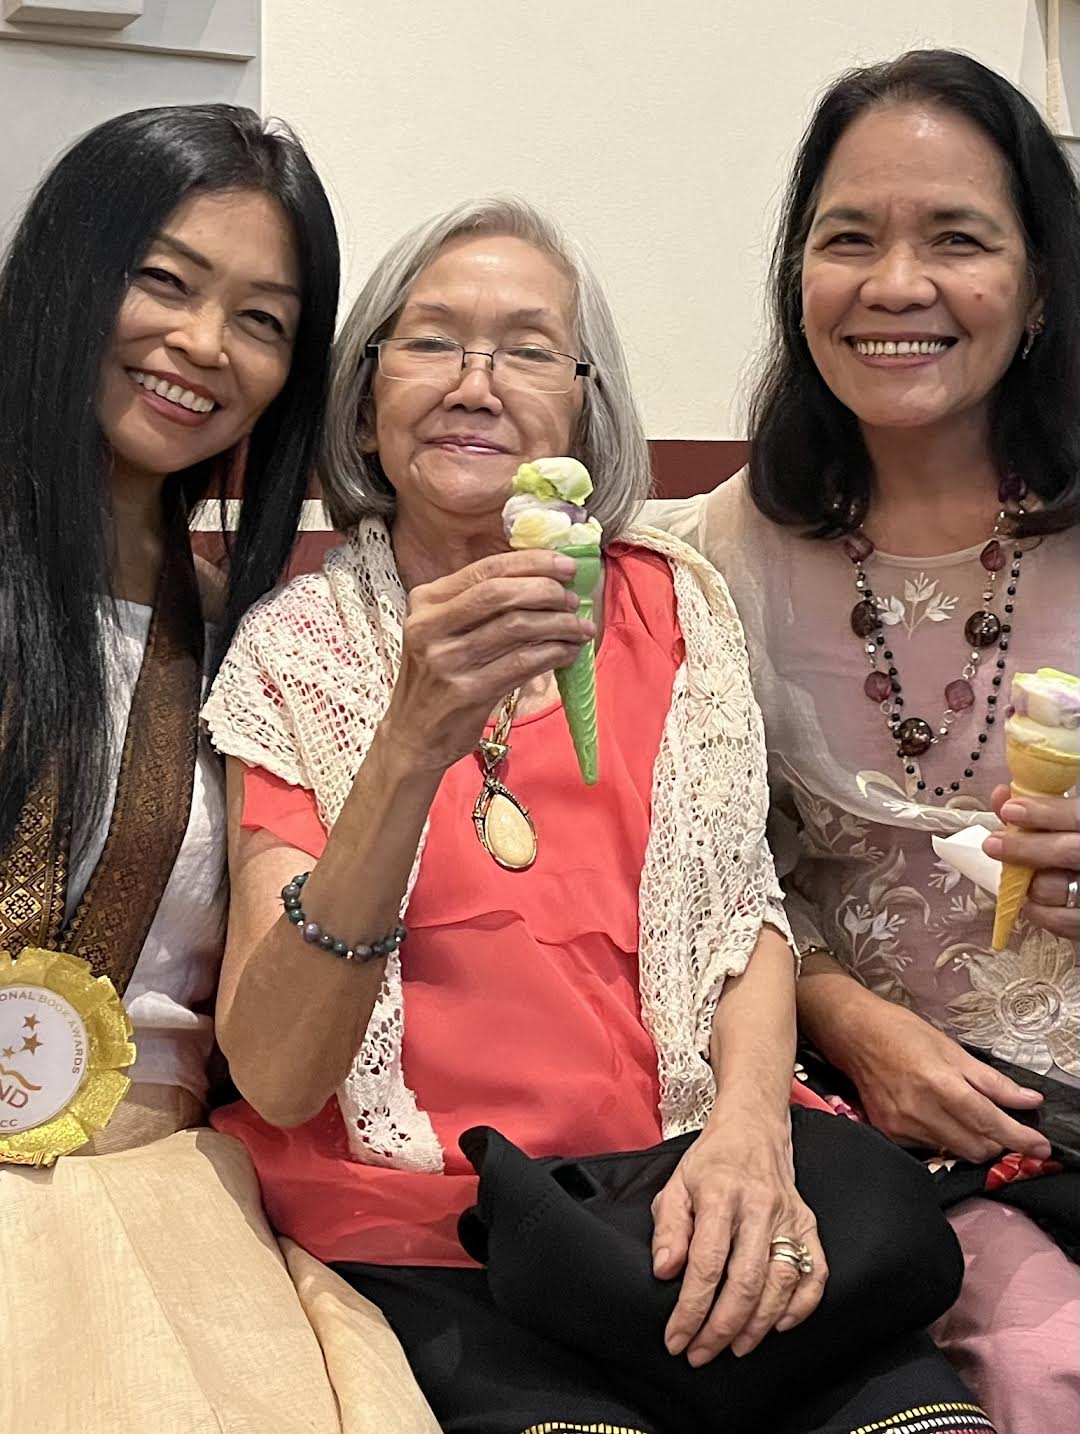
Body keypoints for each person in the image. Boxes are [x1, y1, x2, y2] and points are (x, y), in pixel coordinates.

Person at [203, 197, 991, 1434]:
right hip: (439, 1239)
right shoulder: (296, 654)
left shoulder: (672, 605)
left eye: (529, 349)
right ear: (364, 402)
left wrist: (750, 1137)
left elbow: (742, 918)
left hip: (695, 1181)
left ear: (583, 411)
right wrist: (409, 742)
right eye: (431, 341)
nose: (476, 383)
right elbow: (280, 1072)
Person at [645, 50, 1080, 1434]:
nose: (896, 285)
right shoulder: (700, 566)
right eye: (848, 240)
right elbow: (703, 886)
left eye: (957, 238)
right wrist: (851, 1023)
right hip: (883, 1135)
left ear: (1042, 282)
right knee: (1042, 1368)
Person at [0, 104, 434, 1434]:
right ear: (69, 269)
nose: (202, 343)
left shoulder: (255, 641)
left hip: (162, 1201)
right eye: (166, 280)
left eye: (261, 319)